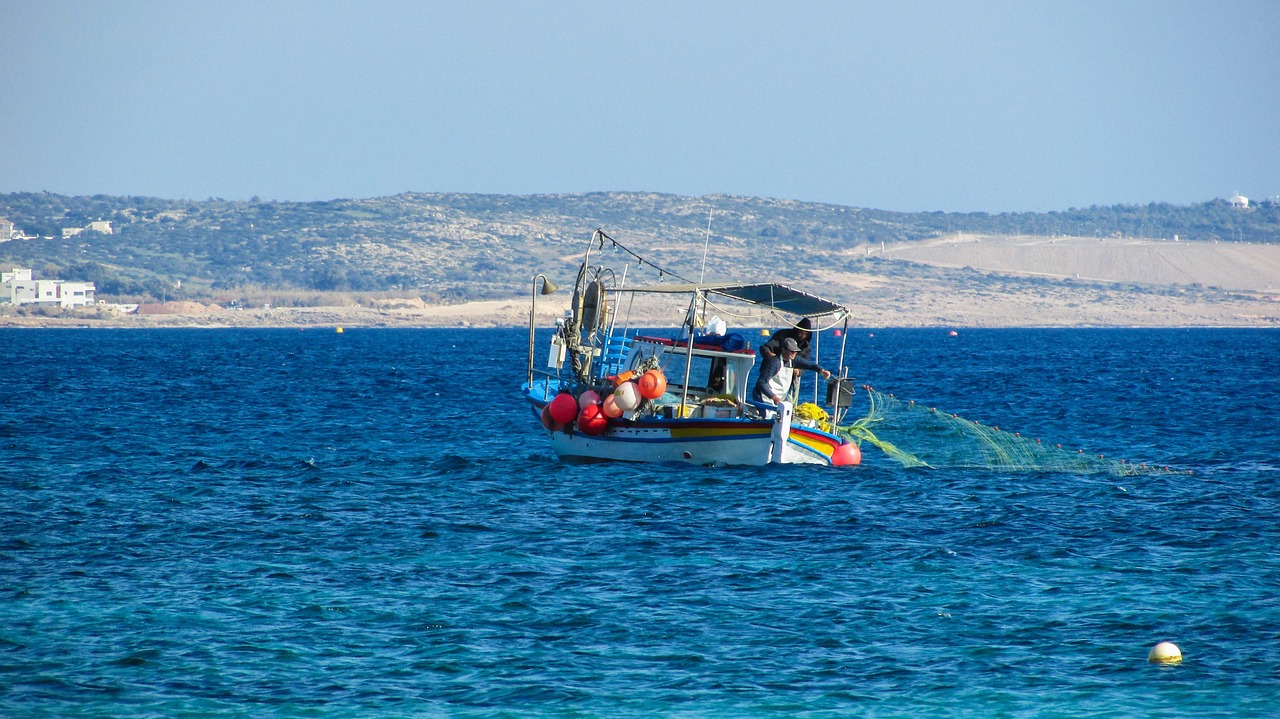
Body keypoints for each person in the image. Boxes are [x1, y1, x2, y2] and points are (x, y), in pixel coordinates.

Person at [752, 337, 831, 407]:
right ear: (783, 350)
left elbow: (809, 365)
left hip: (778, 399)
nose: (794, 354)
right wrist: (773, 397)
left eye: (796, 352)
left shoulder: (793, 360)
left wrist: (822, 371)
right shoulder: (774, 362)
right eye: (792, 351)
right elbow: (762, 382)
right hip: (764, 398)